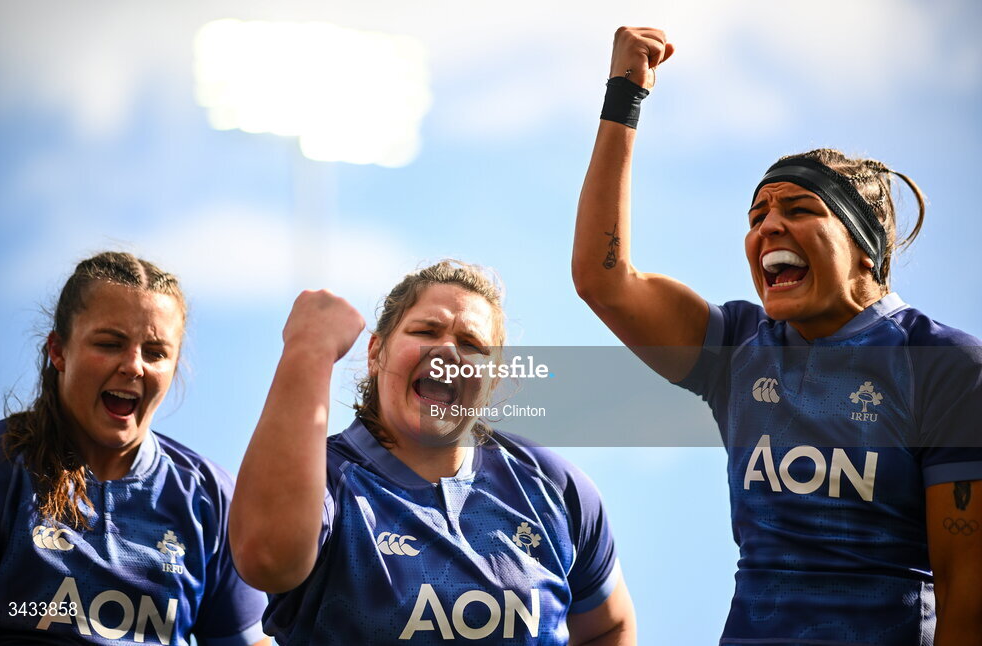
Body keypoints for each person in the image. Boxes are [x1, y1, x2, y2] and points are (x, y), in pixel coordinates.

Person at [572, 27, 982, 646]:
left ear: (866, 245)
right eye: (758, 215)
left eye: (799, 209)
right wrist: (625, 96)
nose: (769, 226)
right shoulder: (738, 346)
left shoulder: (944, 364)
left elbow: (967, 592)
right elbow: (605, 280)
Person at [230, 260, 635, 645]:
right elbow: (266, 558)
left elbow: (609, 627)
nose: (447, 353)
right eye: (425, 332)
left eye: (471, 344)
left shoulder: (552, 487)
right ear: (375, 353)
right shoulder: (326, 480)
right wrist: (310, 349)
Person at [0, 252, 269, 645]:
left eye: (156, 353)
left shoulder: (210, 497)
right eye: (109, 344)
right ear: (58, 351)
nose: (134, 366)